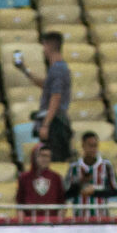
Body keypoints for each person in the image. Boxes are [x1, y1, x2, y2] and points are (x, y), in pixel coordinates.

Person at [16, 31, 73, 161]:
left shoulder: (57, 69)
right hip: (55, 122)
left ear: (48, 46)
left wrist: (46, 124)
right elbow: (46, 85)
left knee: (54, 162)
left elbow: (56, 97)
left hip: (55, 125)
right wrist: (24, 69)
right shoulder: (59, 68)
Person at [65, 132, 117, 209]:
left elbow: (115, 191)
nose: (93, 149)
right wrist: (79, 185)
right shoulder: (74, 167)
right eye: (90, 146)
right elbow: (66, 194)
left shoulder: (106, 165)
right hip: (80, 216)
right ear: (83, 146)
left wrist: (95, 192)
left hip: (101, 216)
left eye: (95, 146)